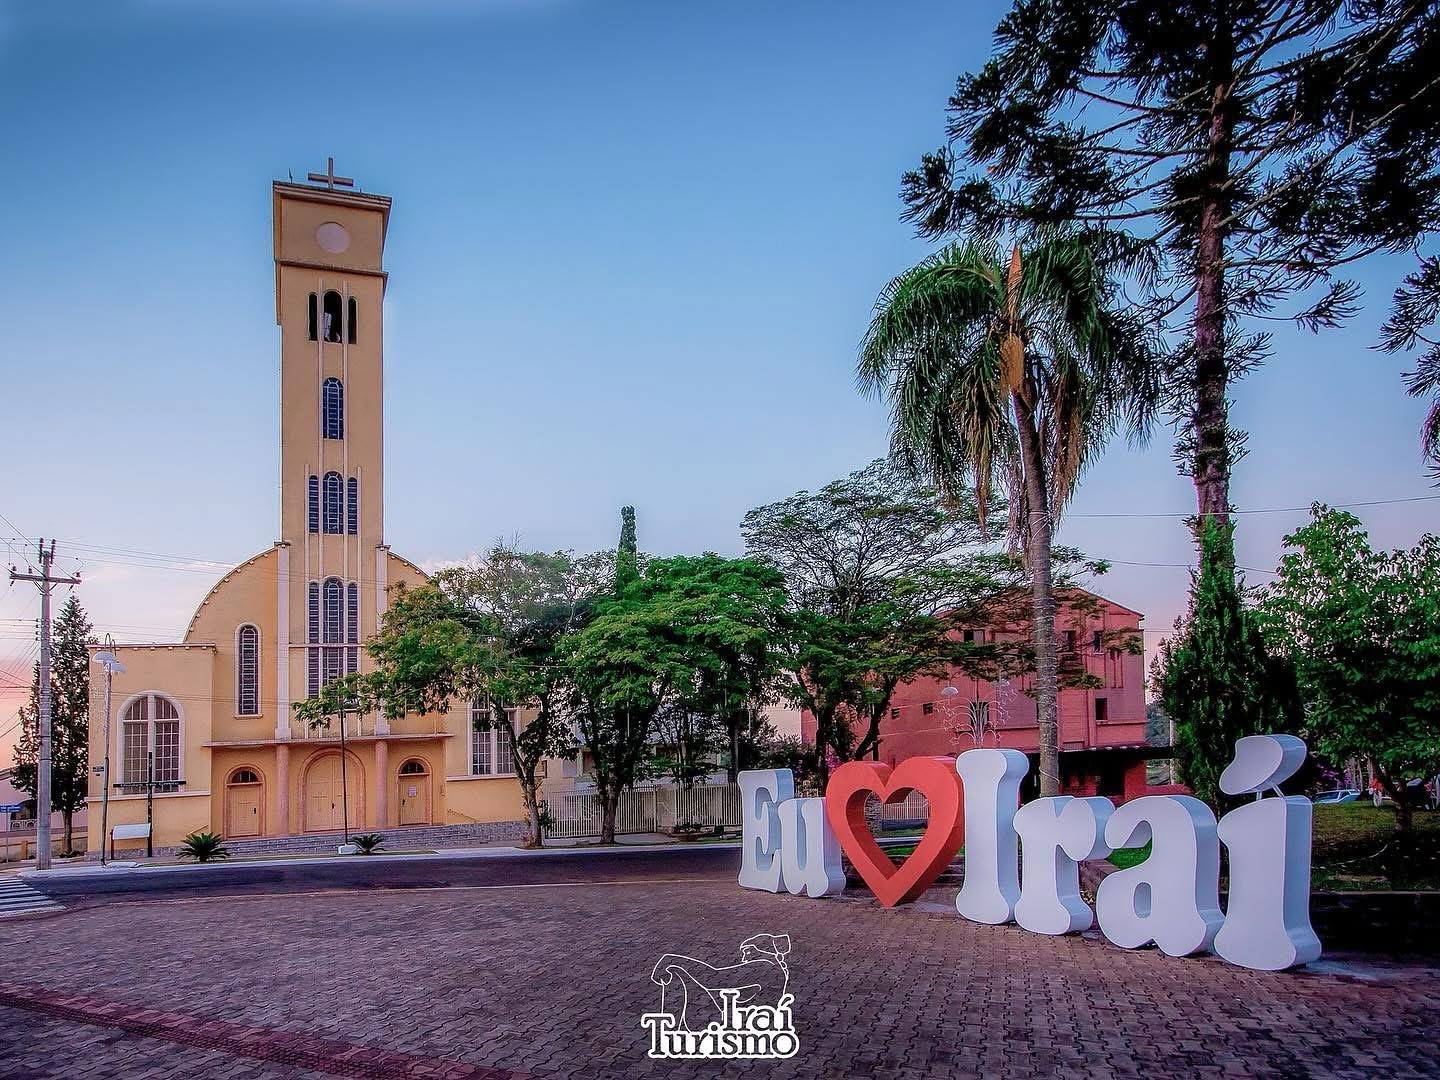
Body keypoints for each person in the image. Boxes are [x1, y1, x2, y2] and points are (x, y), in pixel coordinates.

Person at [650, 934, 791, 1031]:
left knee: (680, 975)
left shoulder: (763, 966)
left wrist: (672, 960)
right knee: (680, 975)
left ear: (764, 951)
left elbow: (713, 977)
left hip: (747, 1022)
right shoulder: (769, 966)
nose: (743, 958)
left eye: (747, 952)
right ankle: (671, 1024)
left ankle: (671, 1026)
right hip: (752, 1017)